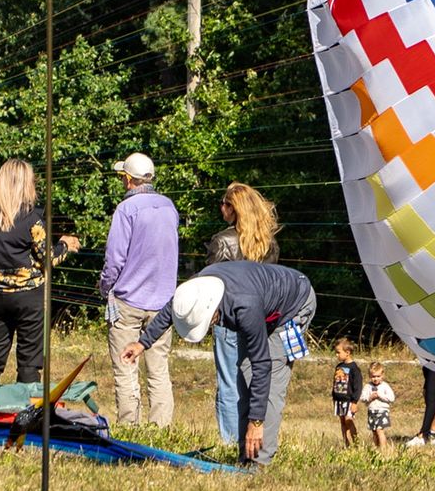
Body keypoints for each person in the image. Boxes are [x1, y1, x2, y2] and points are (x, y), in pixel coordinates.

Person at [120, 260, 316, 466]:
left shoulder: (244, 306)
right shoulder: (196, 287)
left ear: (213, 308)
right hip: (260, 304)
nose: (211, 324)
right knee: (244, 376)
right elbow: (171, 309)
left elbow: (263, 365)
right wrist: (143, 343)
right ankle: (245, 457)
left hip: (293, 306)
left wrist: (257, 421)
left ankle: (259, 463)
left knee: (271, 384)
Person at [0, 159, 80, 385]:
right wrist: (65, 245)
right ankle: (26, 415)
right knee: (29, 362)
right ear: (27, 184)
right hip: (28, 299)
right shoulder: (32, 219)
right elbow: (47, 259)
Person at [98, 152, 180, 426]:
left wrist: (105, 287)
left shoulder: (126, 210)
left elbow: (115, 259)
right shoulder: (169, 207)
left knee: (126, 368)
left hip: (128, 300)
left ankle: (129, 427)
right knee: (158, 371)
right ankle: (160, 430)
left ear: (129, 180)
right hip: (164, 303)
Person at [206, 182, 280, 444]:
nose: (221, 207)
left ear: (234, 209)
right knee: (254, 379)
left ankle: (229, 441)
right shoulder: (268, 243)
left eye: (225, 203)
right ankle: (256, 437)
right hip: (259, 320)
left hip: (228, 319)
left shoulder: (222, 241)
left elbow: (209, 285)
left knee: (229, 383)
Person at [330, 337, 361, 447]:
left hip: (349, 401)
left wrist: (354, 402)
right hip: (339, 400)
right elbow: (336, 382)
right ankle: (346, 444)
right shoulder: (339, 367)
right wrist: (334, 396)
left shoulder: (354, 368)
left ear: (347, 352)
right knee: (342, 422)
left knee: (349, 421)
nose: (336, 355)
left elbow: (357, 386)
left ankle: (356, 444)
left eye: (338, 352)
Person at [360, 361, 395, 451]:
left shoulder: (385, 386)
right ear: (369, 376)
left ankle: (384, 449)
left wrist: (380, 396)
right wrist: (369, 398)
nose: (375, 379)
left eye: (378, 376)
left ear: (382, 375)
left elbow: (391, 398)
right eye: (373, 376)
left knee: (380, 430)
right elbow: (362, 398)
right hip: (372, 411)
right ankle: (377, 448)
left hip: (382, 411)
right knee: (374, 431)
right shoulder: (368, 386)